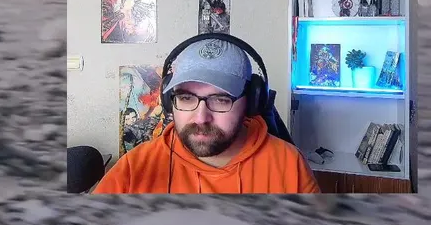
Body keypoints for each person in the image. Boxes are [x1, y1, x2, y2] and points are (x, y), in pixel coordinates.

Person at [94, 37, 321, 194]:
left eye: (221, 99)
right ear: (169, 101)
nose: (201, 118)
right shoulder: (134, 169)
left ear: (251, 102)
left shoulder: (289, 166)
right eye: (186, 98)